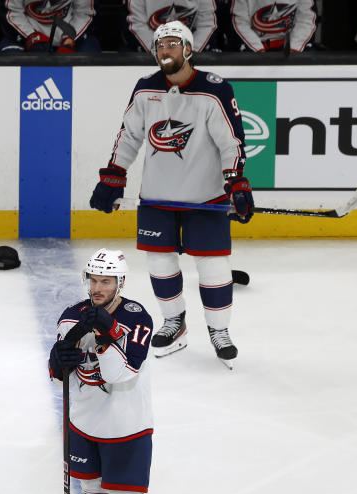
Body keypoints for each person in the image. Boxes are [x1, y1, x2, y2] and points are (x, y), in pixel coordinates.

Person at [88, 20, 252, 368]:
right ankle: (174, 323)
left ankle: (219, 331)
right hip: (158, 197)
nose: (165, 50)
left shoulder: (214, 89)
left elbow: (231, 141)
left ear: (188, 49)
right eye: (160, 45)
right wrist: (114, 176)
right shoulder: (146, 88)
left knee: (213, 267)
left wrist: (236, 182)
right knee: (160, 263)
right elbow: (129, 136)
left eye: (173, 44)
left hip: (205, 197)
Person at [48, 248, 154, 494]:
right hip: (83, 420)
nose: (97, 287)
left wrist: (107, 333)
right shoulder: (71, 316)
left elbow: (119, 374)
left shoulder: (137, 319)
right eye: (93, 280)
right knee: (92, 489)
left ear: (120, 283)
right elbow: (58, 368)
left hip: (127, 423)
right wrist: (57, 360)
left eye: (105, 281)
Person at [0, 0, 100, 53]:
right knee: (10, 60)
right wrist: (32, 37)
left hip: (72, 36)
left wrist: (69, 40)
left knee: (90, 57)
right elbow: (11, 12)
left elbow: (85, 12)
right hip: (27, 34)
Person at [122, 0, 217, 53]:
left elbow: (206, 24)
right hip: (149, 54)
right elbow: (137, 25)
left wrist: (191, 51)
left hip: (191, 53)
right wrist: (159, 50)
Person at [230, 0, 317, 52]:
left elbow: (306, 20)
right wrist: (257, 49)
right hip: (254, 49)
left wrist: (294, 49)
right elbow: (240, 22)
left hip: (293, 49)